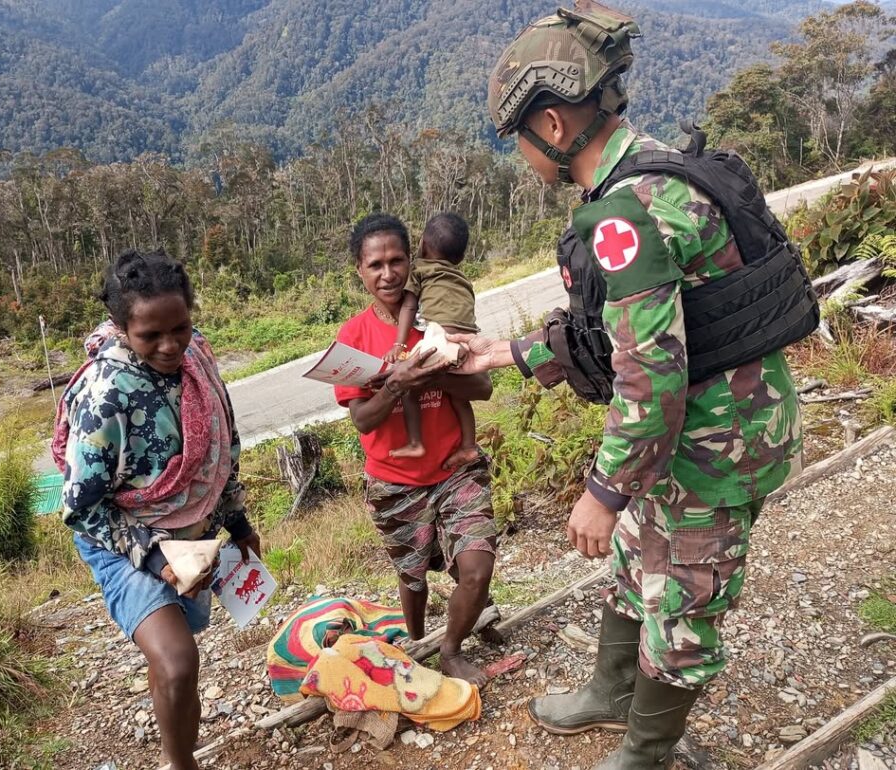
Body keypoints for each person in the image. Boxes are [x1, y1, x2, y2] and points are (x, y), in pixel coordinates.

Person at [452, 2, 811, 767]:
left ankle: (647, 750)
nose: (521, 155)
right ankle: (613, 692)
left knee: (683, 602)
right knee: (634, 562)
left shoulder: (626, 214)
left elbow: (651, 376)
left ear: (551, 126)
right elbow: (614, 333)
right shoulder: (646, 171)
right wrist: (503, 351)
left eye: (518, 139)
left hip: (712, 443)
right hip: (703, 425)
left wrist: (605, 488)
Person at [52, 248, 261, 770]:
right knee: (177, 658)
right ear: (123, 328)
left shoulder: (200, 361)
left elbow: (222, 445)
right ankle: (179, 763)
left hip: (194, 531)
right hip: (124, 538)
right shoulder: (105, 396)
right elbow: (82, 507)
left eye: (181, 328)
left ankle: (181, 747)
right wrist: (153, 557)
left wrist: (237, 523)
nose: (170, 346)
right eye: (151, 336)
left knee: (177, 659)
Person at [334, 213, 498, 686]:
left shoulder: (438, 316)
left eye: (397, 260)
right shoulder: (353, 338)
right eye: (375, 264)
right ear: (359, 271)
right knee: (413, 578)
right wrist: (396, 385)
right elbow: (362, 419)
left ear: (412, 260)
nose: (388, 274)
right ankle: (416, 642)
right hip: (393, 481)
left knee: (477, 565)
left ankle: (450, 649)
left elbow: (482, 388)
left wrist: (433, 370)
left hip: (454, 471)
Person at [384, 212, 480, 469]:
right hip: (466, 339)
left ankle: (416, 442)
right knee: (458, 395)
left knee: (408, 383)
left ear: (422, 245)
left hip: (440, 337)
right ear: (459, 257)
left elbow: (409, 307)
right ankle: (469, 446)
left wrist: (399, 344)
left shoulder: (421, 269)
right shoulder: (459, 276)